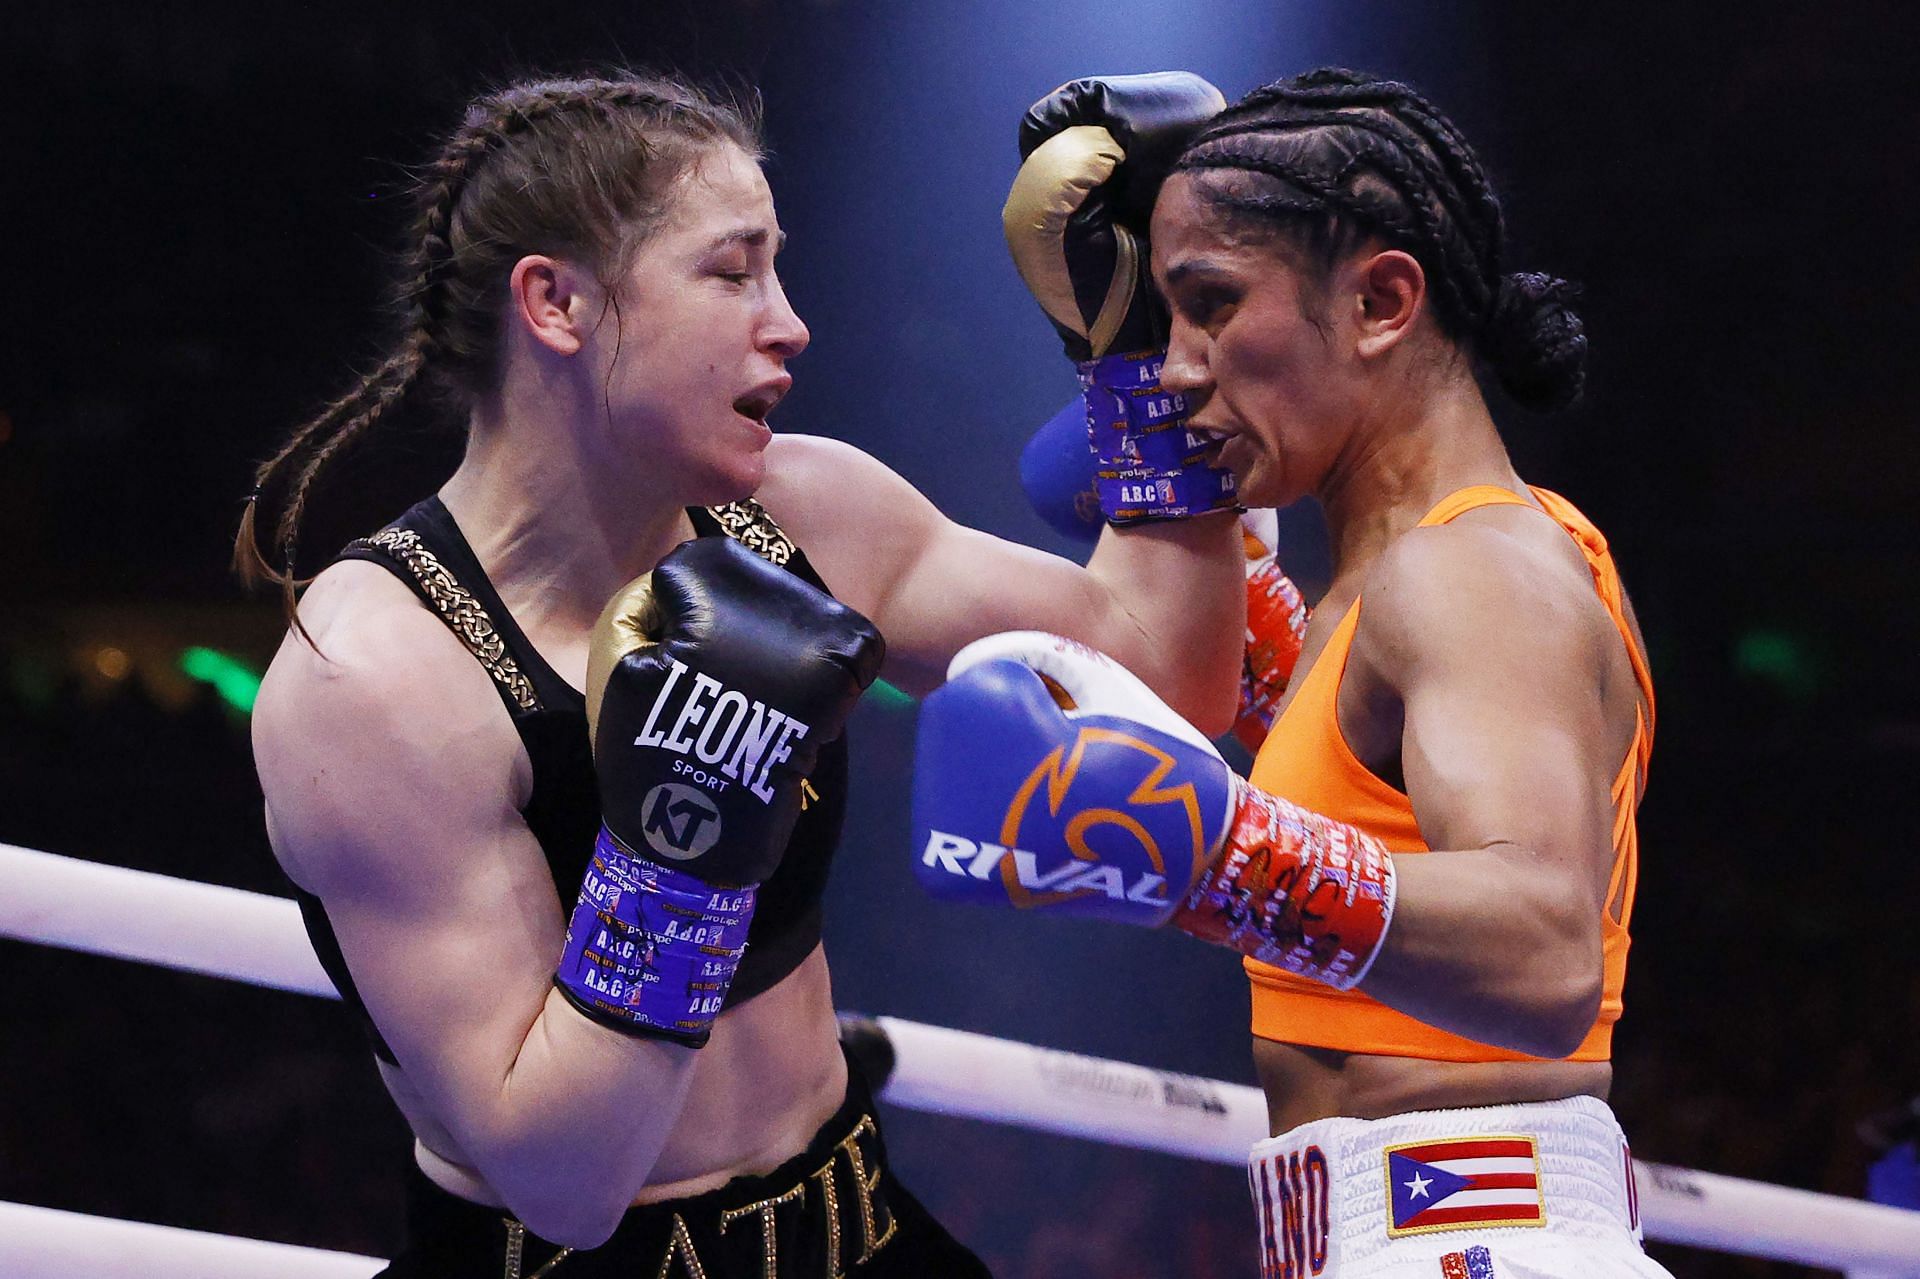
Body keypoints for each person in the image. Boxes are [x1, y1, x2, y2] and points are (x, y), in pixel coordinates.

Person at [239, 72, 1243, 1276]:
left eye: (777, 266)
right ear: (555, 302)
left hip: (856, 1222)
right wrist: (678, 852)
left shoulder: (802, 510)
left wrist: (1142, 353)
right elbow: (564, 1182)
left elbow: (1167, 675)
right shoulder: (378, 675)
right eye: (731, 270)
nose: (788, 320)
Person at [913, 68, 1669, 1276]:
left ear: (1379, 301)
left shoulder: (1470, 572)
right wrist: (1113, 374)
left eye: (1211, 305)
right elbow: (1296, 720)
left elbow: (1545, 952)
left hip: (1471, 1235)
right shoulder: (1400, 591)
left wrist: (1214, 854)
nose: (1177, 363)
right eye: (1168, 320)